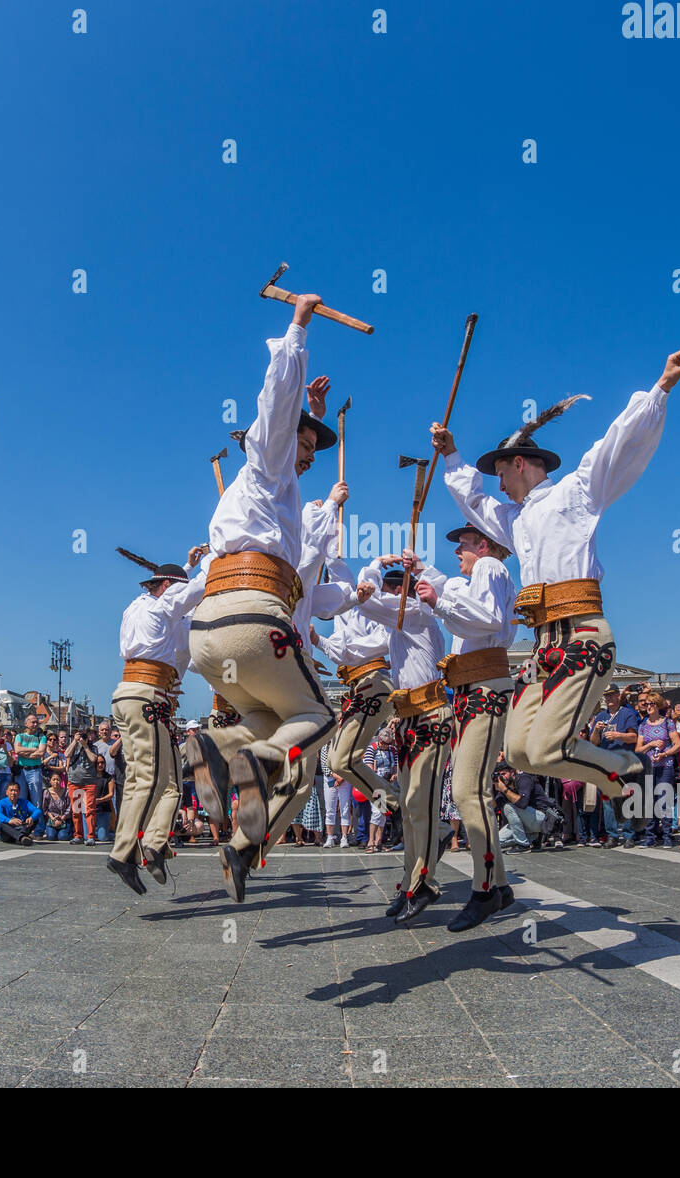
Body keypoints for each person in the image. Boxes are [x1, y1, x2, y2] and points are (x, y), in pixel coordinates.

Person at [430, 350, 680, 825]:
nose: (499, 485)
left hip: (583, 637)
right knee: (518, 750)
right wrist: (450, 454)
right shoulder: (516, 520)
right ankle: (615, 774)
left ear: (519, 464)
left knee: (548, 747)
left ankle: (625, 770)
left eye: (501, 473)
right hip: (544, 646)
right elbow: (475, 503)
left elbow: (616, 444)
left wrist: (659, 389)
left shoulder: (575, 493)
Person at [186, 293, 341, 904]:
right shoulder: (268, 460)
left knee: (267, 720)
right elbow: (275, 404)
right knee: (320, 718)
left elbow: (307, 576)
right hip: (254, 619)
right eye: (307, 441)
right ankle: (258, 765)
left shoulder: (272, 496)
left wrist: (313, 409)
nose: (310, 450)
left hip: (213, 631)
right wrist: (297, 329)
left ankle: (219, 747)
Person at [409, 522, 519, 929]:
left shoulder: (490, 567)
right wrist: (424, 573)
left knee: (470, 791)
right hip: (475, 688)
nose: (458, 552)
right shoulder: (478, 577)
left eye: (464, 546)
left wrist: (437, 602)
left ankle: (486, 888)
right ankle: (500, 884)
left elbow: (486, 618)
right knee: (469, 790)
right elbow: (457, 590)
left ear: (484, 545)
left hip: (485, 687)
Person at [106, 545, 211, 894]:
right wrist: (221, 556)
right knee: (150, 780)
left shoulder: (137, 606)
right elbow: (193, 591)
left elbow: (176, 599)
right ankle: (124, 853)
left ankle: (153, 844)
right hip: (147, 696)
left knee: (166, 784)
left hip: (130, 695)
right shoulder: (167, 607)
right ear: (167, 588)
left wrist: (186, 565)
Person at [355, 558, 452, 923]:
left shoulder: (413, 614)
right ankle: (411, 882)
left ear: (400, 592)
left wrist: (372, 568)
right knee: (411, 809)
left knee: (416, 804)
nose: (383, 594)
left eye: (387, 589)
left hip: (430, 716)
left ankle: (422, 882)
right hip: (410, 717)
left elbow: (367, 602)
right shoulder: (399, 626)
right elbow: (359, 643)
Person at [314, 556, 395, 811]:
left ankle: (395, 805)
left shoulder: (355, 607)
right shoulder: (345, 614)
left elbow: (342, 574)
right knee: (340, 762)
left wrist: (317, 640)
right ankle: (394, 806)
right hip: (362, 685)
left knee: (342, 762)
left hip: (372, 682)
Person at [591, 685, 642, 847]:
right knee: (608, 802)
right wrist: (596, 732)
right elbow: (593, 743)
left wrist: (618, 735)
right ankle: (612, 834)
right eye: (606, 696)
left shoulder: (627, 713)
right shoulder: (601, 716)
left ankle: (629, 835)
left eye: (612, 696)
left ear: (618, 696)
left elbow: (634, 737)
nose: (609, 699)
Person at [634, 691, 680, 847]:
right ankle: (650, 836)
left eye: (651, 704)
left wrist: (665, 753)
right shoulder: (643, 725)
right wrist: (651, 745)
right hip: (648, 767)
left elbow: (678, 745)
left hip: (665, 766)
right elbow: (638, 749)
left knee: (664, 800)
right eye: (646, 704)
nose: (648, 707)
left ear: (657, 705)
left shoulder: (668, 723)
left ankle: (667, 835)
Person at [496, 769, 550, 852]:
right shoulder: (505, 786)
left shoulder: (524, 779)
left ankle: (523, 845)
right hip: (526, 821)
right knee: (497, 842)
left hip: (541, 817)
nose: (501, 777)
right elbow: (495, 805)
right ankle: (532, 838)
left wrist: (505, 790)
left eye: (504, 774)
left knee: (508, 807)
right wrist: (491, 789)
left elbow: (522, 803)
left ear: (512, 772)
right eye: (499, 775)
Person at [66, 730, 100, 845]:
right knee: (76, 810)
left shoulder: (93, 747)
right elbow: (66, 754)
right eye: (80, 735)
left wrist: (85, 745)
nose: (82, 738)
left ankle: (90, 836)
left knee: (89, 810)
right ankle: (78, 835)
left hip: (89, 783)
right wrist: (75, 741)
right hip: (75, 782)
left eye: (84, 736)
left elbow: (93, 759)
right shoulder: (74, 746)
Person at [14, 714, 48, 820]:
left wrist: (25, 752)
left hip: (34, 770)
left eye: (36, 722)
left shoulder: (41, 737)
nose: (35, 724)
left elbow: (41, 752)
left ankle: (38, 827)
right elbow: (17, 750)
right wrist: (34, 750)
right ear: (26, 723)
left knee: (36, 800)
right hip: (21, 771)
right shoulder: (19, 736)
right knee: (21, 798)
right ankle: (22, 825)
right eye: (33, 722)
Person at [0, 781, 41, 845]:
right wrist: (9, 820)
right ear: (6, 792)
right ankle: (21, 838)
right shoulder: (2, 802)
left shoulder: (25, 802)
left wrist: (31, 818)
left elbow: (38, 811)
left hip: (21, 828)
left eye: (15, 790)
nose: (13, 793)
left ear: (19, 792)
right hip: (8, 834)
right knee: (2, 824)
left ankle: (22, 837)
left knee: (35, 819)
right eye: (11, 790)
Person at [42, 775, 73, 842]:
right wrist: (53, 818)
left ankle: (71, 831)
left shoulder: (66, 792)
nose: (56, 782)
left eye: (58, 779)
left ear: (61, 781)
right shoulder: (46, 792)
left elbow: (69, 808)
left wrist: (62, 818)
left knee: (62, 837)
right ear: (50, 781)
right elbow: (45, 809)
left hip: (64, 819)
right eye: (54, 779)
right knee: (51, 837)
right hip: (52, 819)